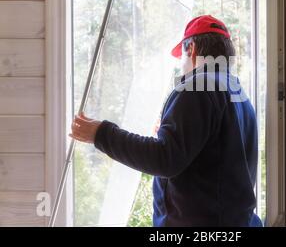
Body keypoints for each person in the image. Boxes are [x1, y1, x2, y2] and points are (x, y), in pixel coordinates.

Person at [70, 15, 263, 227]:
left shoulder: (197, 86)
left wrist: (101, 134)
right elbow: (212, 158)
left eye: (181, 55)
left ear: (192, 49)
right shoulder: (236, 92)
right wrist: (171, 134)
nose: (181, 63)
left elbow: (164, 159)